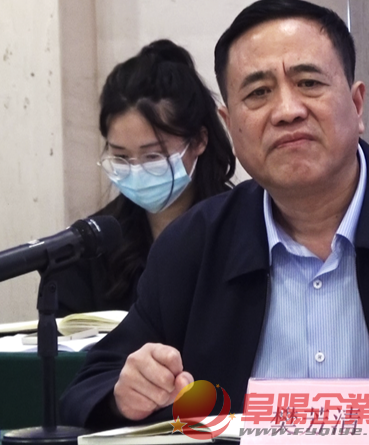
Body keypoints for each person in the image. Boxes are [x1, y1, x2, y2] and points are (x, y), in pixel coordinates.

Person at [60, 0, 369, 443]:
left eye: (309, 83)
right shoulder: (193, 245)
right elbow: (93, 385)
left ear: (357, 104)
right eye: (258, 93)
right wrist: (128, 392)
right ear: (229, 124)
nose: (287, 111)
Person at [54, 39, 235, 317]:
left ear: (199, 140)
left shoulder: (240, 229)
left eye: (153, 156)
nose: (136, 170)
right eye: (121, 157)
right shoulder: (90, 249)